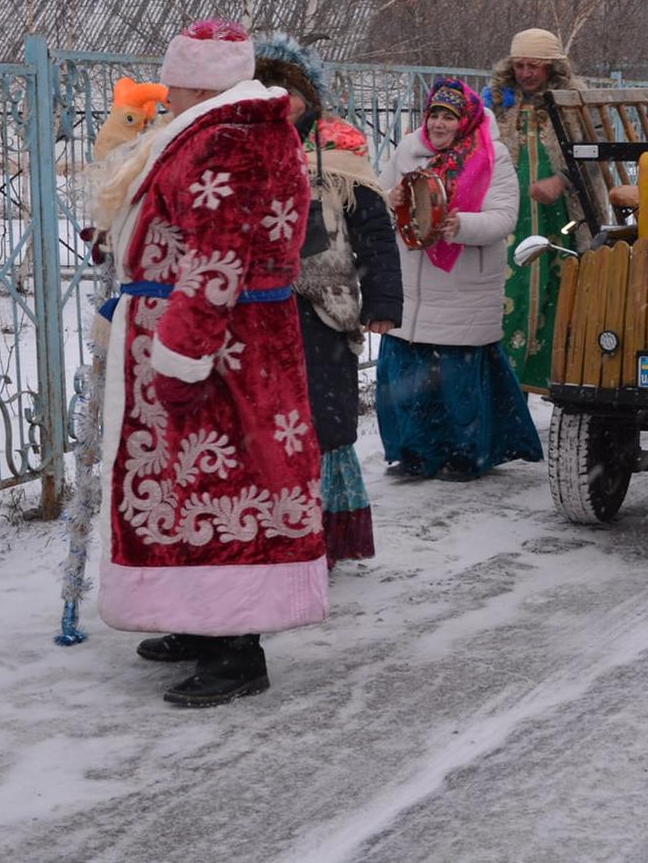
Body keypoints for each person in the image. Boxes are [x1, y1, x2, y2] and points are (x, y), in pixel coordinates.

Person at [84, 18, 325, 708]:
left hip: (222, 353)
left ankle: (236, 647)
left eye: (175, 80)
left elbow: (216, 259)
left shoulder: (233, 139)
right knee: (186, 488)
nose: (166, 91)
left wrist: (181, 355)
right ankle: (198, 617)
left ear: (199, 79)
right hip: (207, 340)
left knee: (224, 487)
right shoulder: (218, 128)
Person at [251, 34, 401, 568]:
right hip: (256, 311)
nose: (278, 98)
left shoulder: (340, 153)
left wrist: (382, 299)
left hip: (327, 312)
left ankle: (324, 537)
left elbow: (375, 232)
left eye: (288, 89)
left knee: (323, 420)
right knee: (267, 423)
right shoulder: (242, 150)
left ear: (309, 96)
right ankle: (272, 532)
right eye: (266, 86)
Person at [376, 78, 543, 479]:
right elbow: (379, 199)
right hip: (412, 286)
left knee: (457, 382)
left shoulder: (490, 156)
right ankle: (414, 453)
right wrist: (391, 199)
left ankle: (466, 455)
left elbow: (505, 217)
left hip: (462, 286)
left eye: (448, 116)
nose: (437, 123)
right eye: (433, 113)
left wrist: (460, 225)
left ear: (464, 119)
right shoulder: (408, 150)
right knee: (407, 379)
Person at [485, 28, 586, 392]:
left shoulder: (574, 103)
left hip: (562, 222)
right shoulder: (499, 103)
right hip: (510, 220)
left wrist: (560, 181)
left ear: (552, 68)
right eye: (520, 65)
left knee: (558, 297)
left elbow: (592, 158)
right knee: (508, 295)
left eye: (534, 66)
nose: (526, 74)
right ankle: (507, 388)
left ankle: (556, 382)